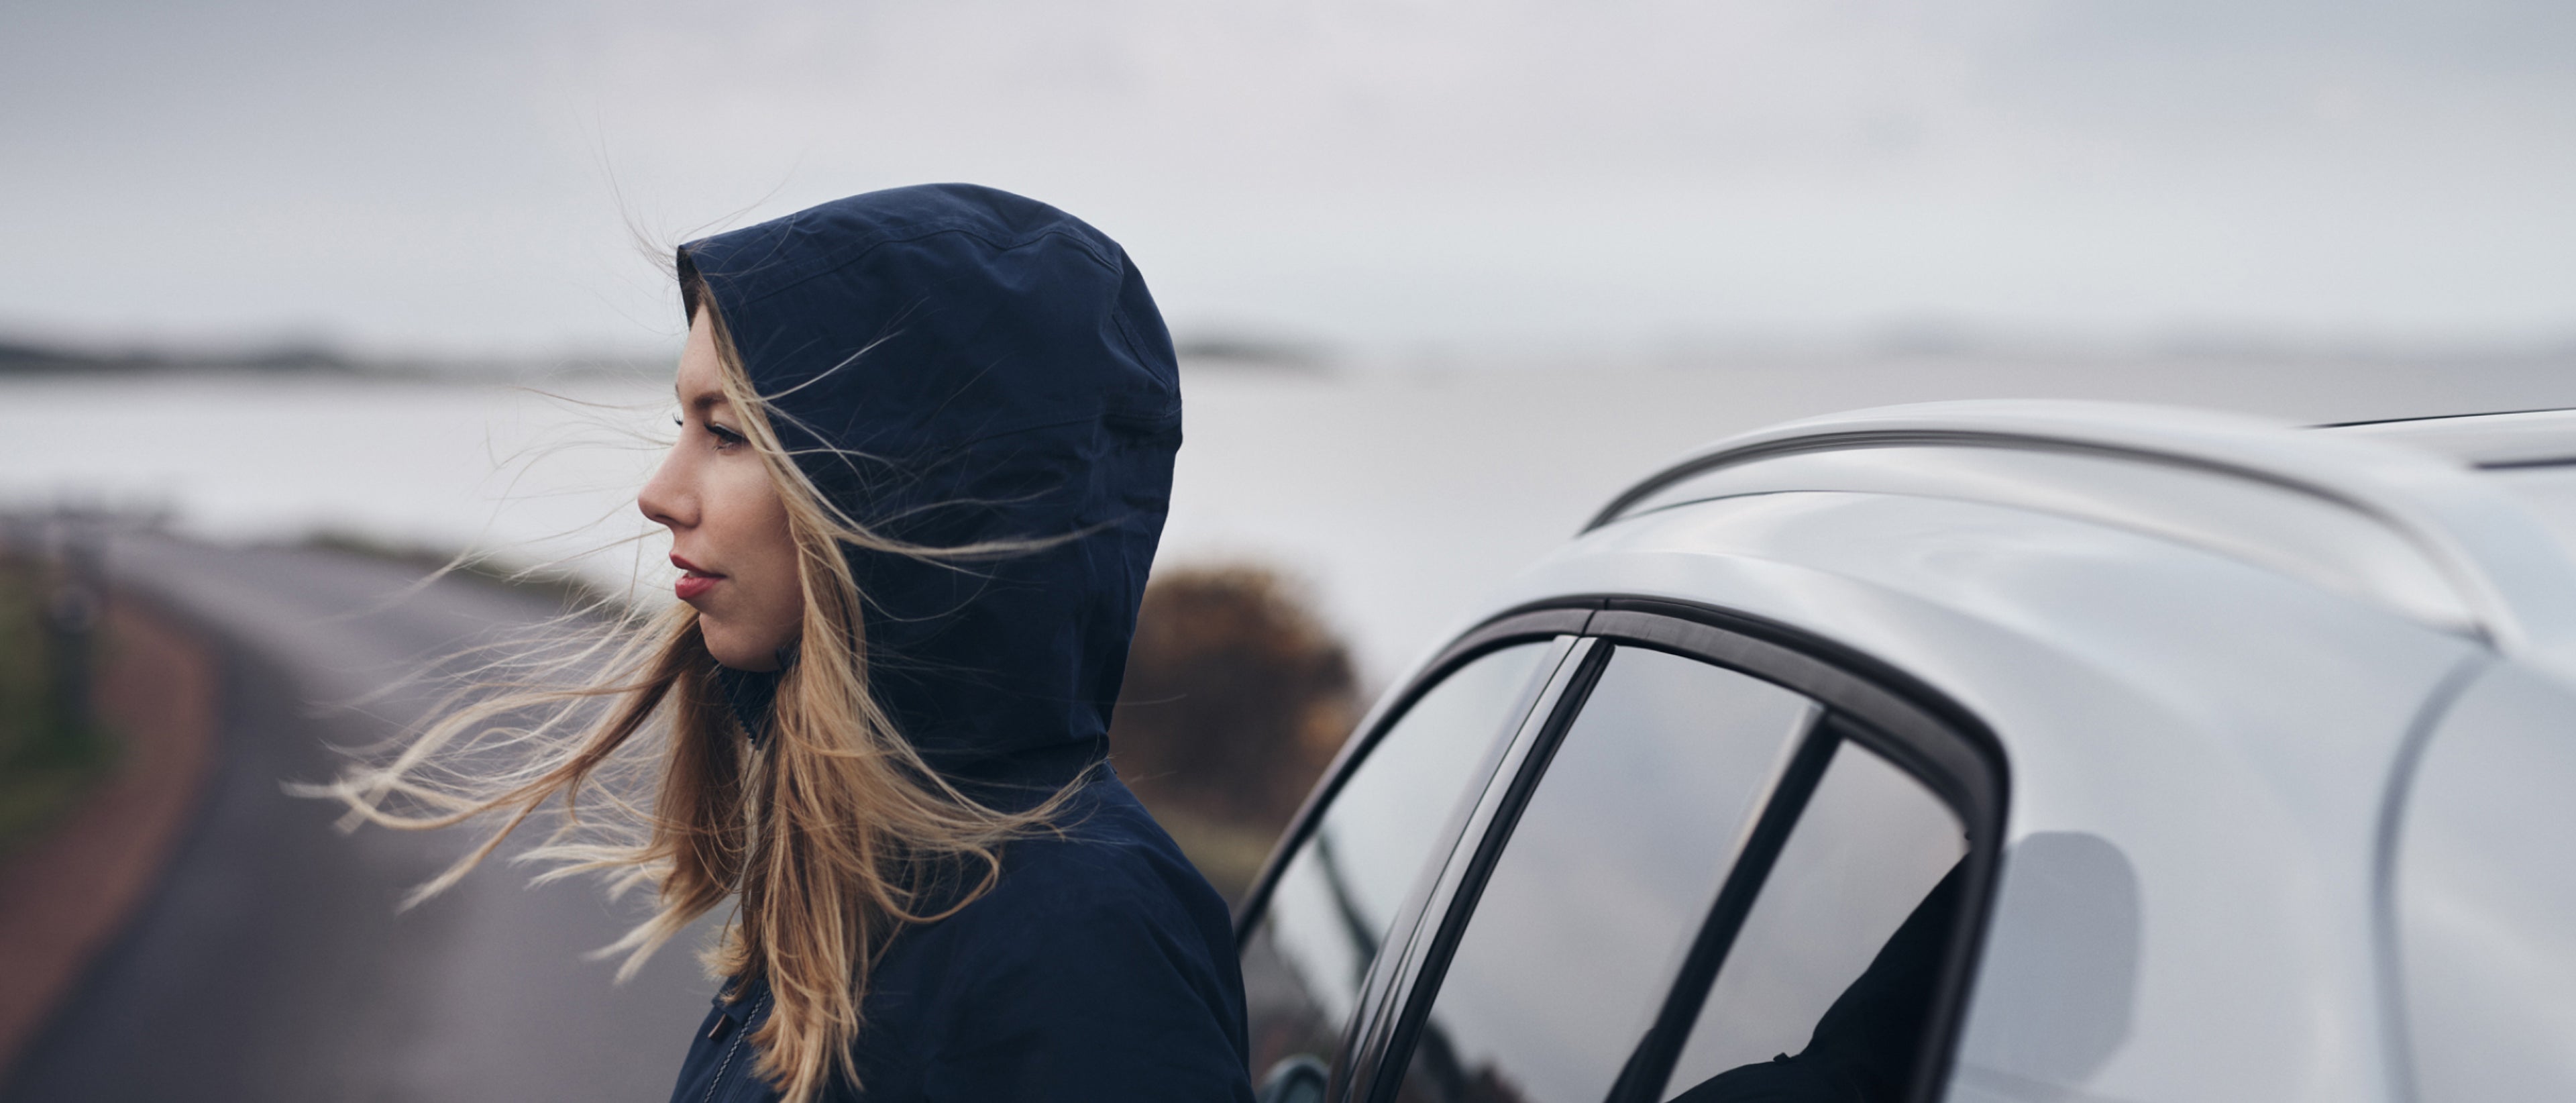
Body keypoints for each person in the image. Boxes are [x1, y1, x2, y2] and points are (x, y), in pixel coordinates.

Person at [315, 184, 1254, 1102]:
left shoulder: (1074, 948)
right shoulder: (881, 875)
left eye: (726, 434)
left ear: (910, 491)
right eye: (682, 425)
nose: (659, 491)